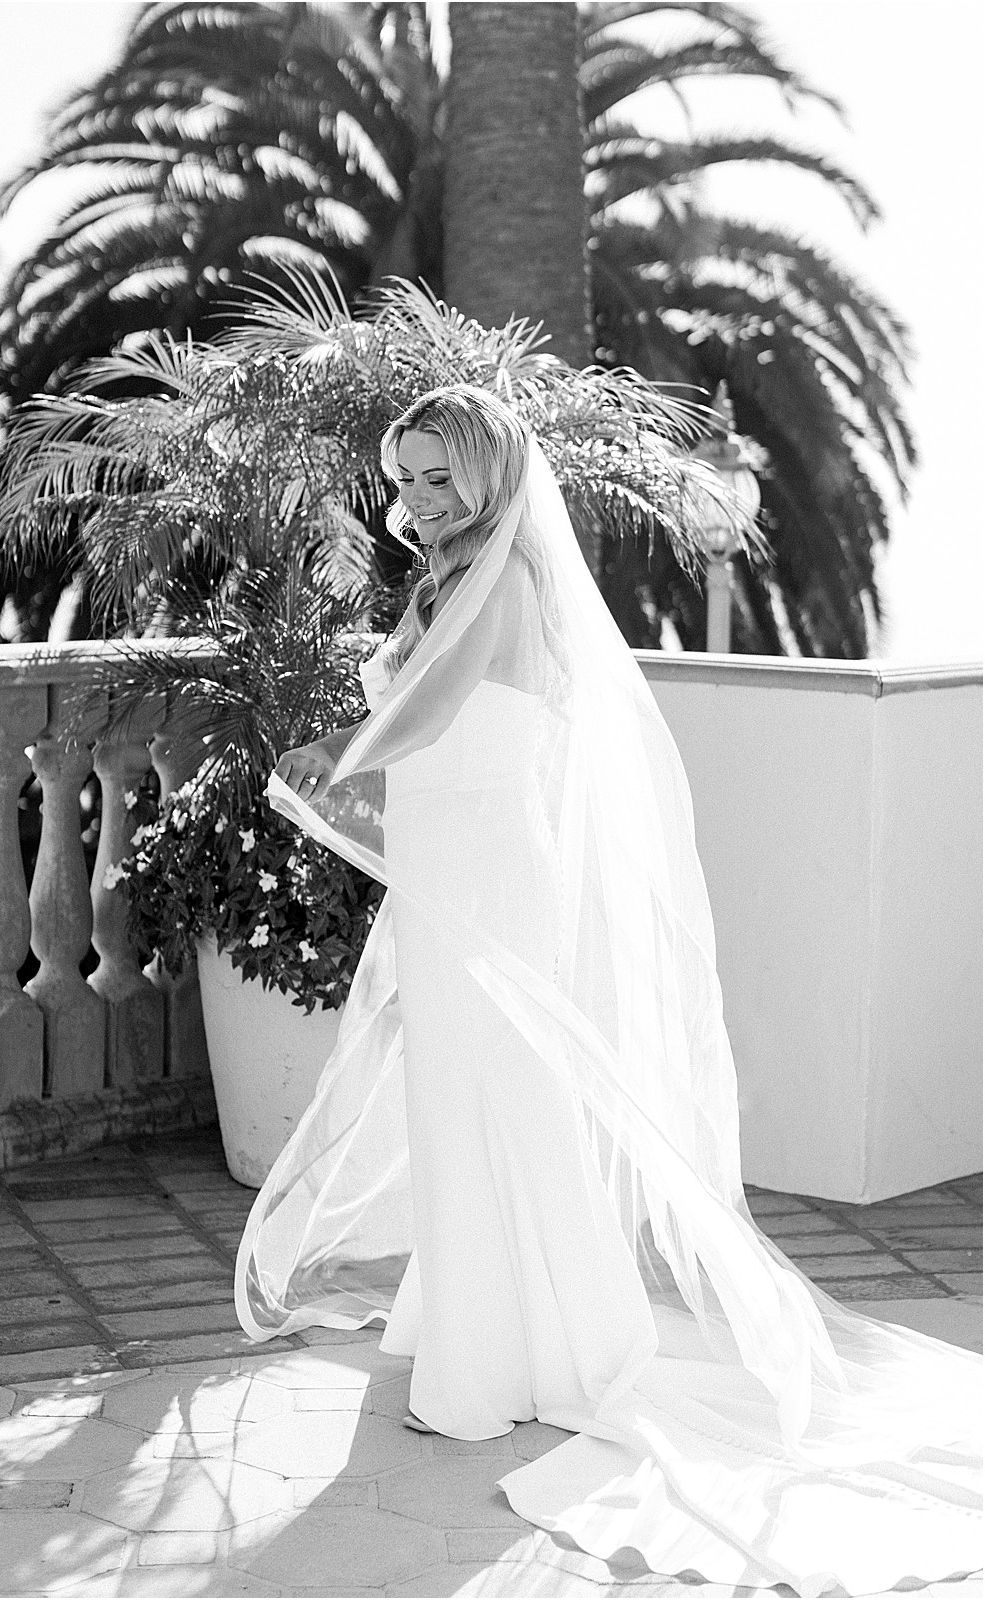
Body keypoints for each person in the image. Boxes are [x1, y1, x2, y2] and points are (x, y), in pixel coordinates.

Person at [236, 385, 981, 1594]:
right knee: (457, 1095)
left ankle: (509, 1361)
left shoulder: (508, 580)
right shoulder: (445, 577)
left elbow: (430, 706)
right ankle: (481, 1324)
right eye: (408, 478)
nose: (418, 502)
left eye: (439, 480)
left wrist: (344, 749)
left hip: (488, 862)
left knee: (500, 1093)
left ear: (486, 479)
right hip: (448, 848)